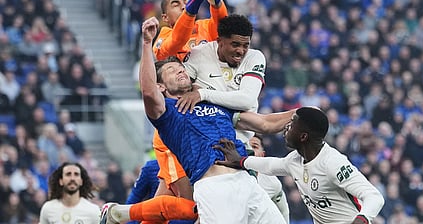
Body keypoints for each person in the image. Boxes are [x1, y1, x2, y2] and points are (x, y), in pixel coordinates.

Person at [100, 17, 292, 224]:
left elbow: (264, 124)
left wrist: (304, 114)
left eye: (180, 68)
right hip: (213, 187)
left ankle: (121, 213)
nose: (180, 70)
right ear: (161, 87)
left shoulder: (217, 102)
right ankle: (120, 214)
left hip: (246, 181)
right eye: (171, 70)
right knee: (186, 208)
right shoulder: (167, 114)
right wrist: (147, 44)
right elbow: (148, 91)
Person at [214, 107, 385, 224]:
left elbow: (374, 197)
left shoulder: (333, 163)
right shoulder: (295, 160)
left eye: (292, 123)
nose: (286, 126)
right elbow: (272, 165)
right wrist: (241, 161)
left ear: (303, 136)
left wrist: (361, 220)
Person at [149, 0, 227, 208]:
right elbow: (176, 43)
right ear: (165, 17)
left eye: (187, 0)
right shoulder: (161, 36)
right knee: (194, 206)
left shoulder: (205, 28)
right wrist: (194, 4)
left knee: (164, 204)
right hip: (175, 127)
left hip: (205, 120)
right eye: (176, 4)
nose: (183, 6)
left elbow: (226, 30)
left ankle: (120, 214)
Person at [249, 134, 290, 223]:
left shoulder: (272, 182)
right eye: (245, 146)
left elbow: (283, 211)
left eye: (254, 147)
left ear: (262, 154)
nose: (250, 150)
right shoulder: (229, 177)